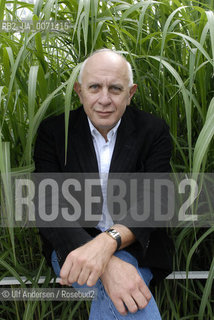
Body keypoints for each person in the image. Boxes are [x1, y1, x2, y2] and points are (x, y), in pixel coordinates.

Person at [34, 49, 173, 319]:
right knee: (123, 288)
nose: (104, 99)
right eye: (95, 87)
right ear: (79, 91)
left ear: (130, 94)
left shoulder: (152, 130)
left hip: (136, 246)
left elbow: (156, 201)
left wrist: (108, 243)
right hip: (72, 244)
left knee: (118, 292)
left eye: (116, 89)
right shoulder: (54, 132)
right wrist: (103, 260)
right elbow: (47, 206)